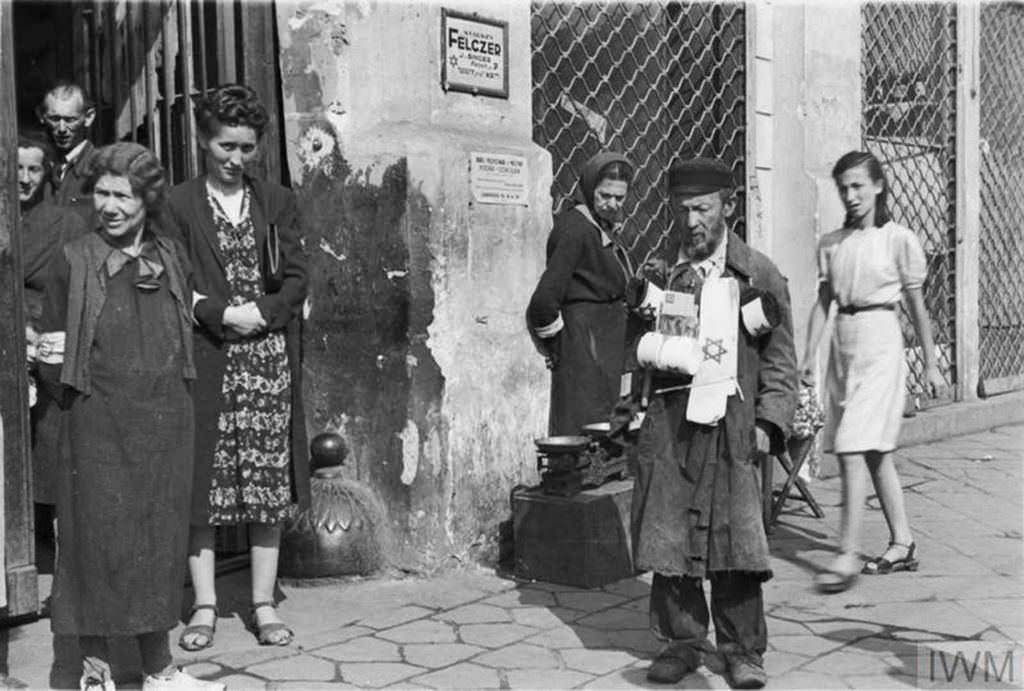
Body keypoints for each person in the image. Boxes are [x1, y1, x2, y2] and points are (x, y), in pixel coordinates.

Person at [37, 142, 222, 691]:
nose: (109, 206)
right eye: (101, 193)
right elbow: (51, 352)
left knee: (158, 542)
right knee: (96, 542)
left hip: (165, 423)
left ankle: (159, 668)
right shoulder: (74, 260)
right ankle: (92, 672)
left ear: (147, 199)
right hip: (96, 424)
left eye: (123, 195)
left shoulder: (171, 255)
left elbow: (184, 330)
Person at [628, 158, 797, 689]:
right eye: (681, 210)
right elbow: (636, 349)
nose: (691, 221)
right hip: (671, 427)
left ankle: (743, 649)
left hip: (736, 427)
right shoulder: (660, 275)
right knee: (669, 532)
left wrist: (771, 420)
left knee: (736, 538)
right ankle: (681, 641)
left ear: (729, 206)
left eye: (702, 208)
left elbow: (781, 359)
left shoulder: (758, 274)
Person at [165, 83, 309, 650]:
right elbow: (177, 279)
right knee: (206, 483)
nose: (236, 159)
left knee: (266, 486)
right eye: (226, 146)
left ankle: (262, 604)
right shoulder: (178, 204)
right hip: (210, 357)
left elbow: (297, 275)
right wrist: (220, 313)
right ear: (204, 141)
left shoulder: (275, 201)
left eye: (247, 148)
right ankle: (202, 606)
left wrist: (264, 314)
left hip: (267, 359)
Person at [802, 150, 942, 593]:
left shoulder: (898, 239)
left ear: (878, 185)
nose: (851, 194)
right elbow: (824, 301)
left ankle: (845, 553)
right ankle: (903, 542)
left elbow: (918, 308)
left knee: (850, 447)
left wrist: (933, 364)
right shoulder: (832, 243)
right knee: (876, 451)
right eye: (844, 187)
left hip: (882, 340)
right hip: (845, 345)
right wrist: (810, 355)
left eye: (859, 185)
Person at [527, 152, 634, 436]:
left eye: (620, 198)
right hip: (584, 347)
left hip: (603, 346)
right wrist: (558, 345)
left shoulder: (600, 226)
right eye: (605, 195)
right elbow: (543, 300)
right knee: (582, 425)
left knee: (605, 428)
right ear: (589, 189)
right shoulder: (575, 229)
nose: (612, 204)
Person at [18, 131, 87, 543]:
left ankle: (66, 569)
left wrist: (41, 334)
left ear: (47, 173)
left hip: (47, 347)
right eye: (16, 168)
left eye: (34, 168)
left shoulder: (68, 223)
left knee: (55, 458)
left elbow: (79, 291)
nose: (25, 178)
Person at [37, 82, 98, 223]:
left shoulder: (101, 168)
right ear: (41, 116)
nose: (62, 128)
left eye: (70, 120)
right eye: (55, 119)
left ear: (88, 117)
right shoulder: (36, 168)